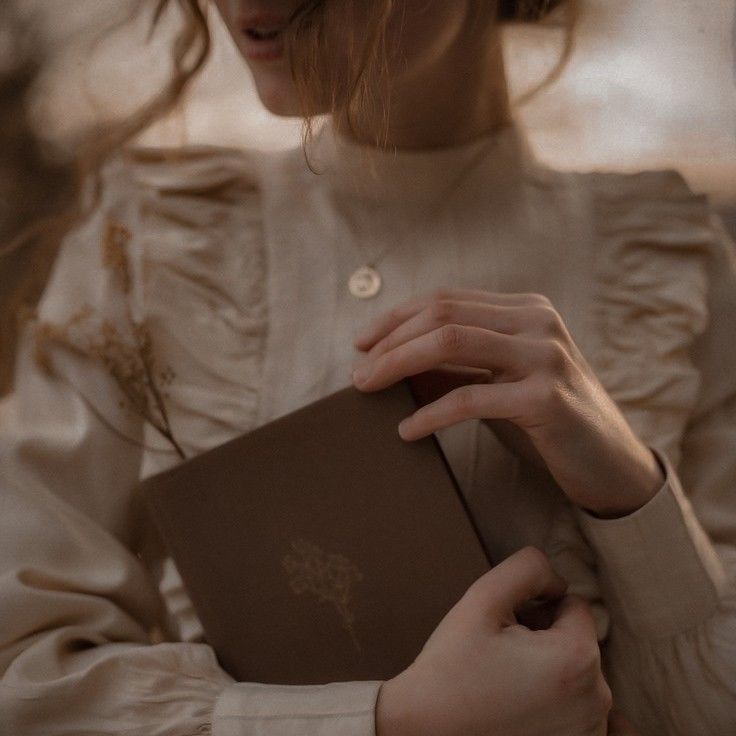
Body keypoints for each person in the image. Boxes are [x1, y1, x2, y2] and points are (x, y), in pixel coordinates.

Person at [1, 1, 734, 734]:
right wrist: (385, 720)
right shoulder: (155, 246)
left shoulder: (666, 269)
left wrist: (633, 497)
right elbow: (23, 678)